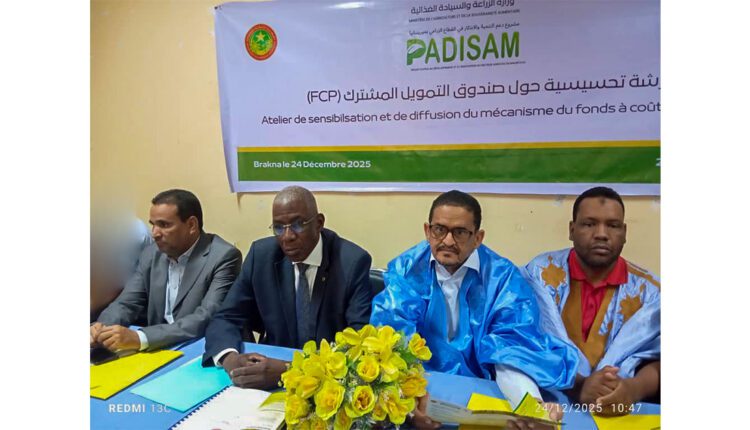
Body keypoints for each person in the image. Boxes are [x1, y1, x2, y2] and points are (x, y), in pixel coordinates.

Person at [371, 190, 578, 429]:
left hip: (483, 391)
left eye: (460, 232)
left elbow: (511, 349)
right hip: (421, 388)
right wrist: (407, 402)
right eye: (439, 230)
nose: (448, 241)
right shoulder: (406, 270)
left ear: (478, 238)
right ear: (427, 231)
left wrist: (529, 405)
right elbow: (393, 339)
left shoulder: (503, 279)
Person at [202, 186, 373, 390]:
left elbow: (359, 345)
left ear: (319, 223)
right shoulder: (261, 256)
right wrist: (231, 360)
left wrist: (288, 371)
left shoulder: (352, 262)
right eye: (278, 227)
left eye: (298, 225)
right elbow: (226, 317)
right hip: (265, 379)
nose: (287, 236)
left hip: (328, 385)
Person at [521, 186, 660, 416]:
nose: (601, 234)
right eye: (589, 224)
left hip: (616, 411)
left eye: (613, 225)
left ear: (624, 232)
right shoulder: (540, 274)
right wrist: (578, 385)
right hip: (547, 405)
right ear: (571, 229)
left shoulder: (651, 292)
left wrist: (631, 389)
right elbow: (522, 341)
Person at [91, 189, 242, 352]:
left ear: (191, 225)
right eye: (153, 224)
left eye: (164, 225)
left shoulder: (223, 256)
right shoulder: (151, 253)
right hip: (158, 349)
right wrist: (101, 329)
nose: (154, 234)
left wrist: (141, 337)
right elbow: (126, 303)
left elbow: (206, 317)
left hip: (202, 347)